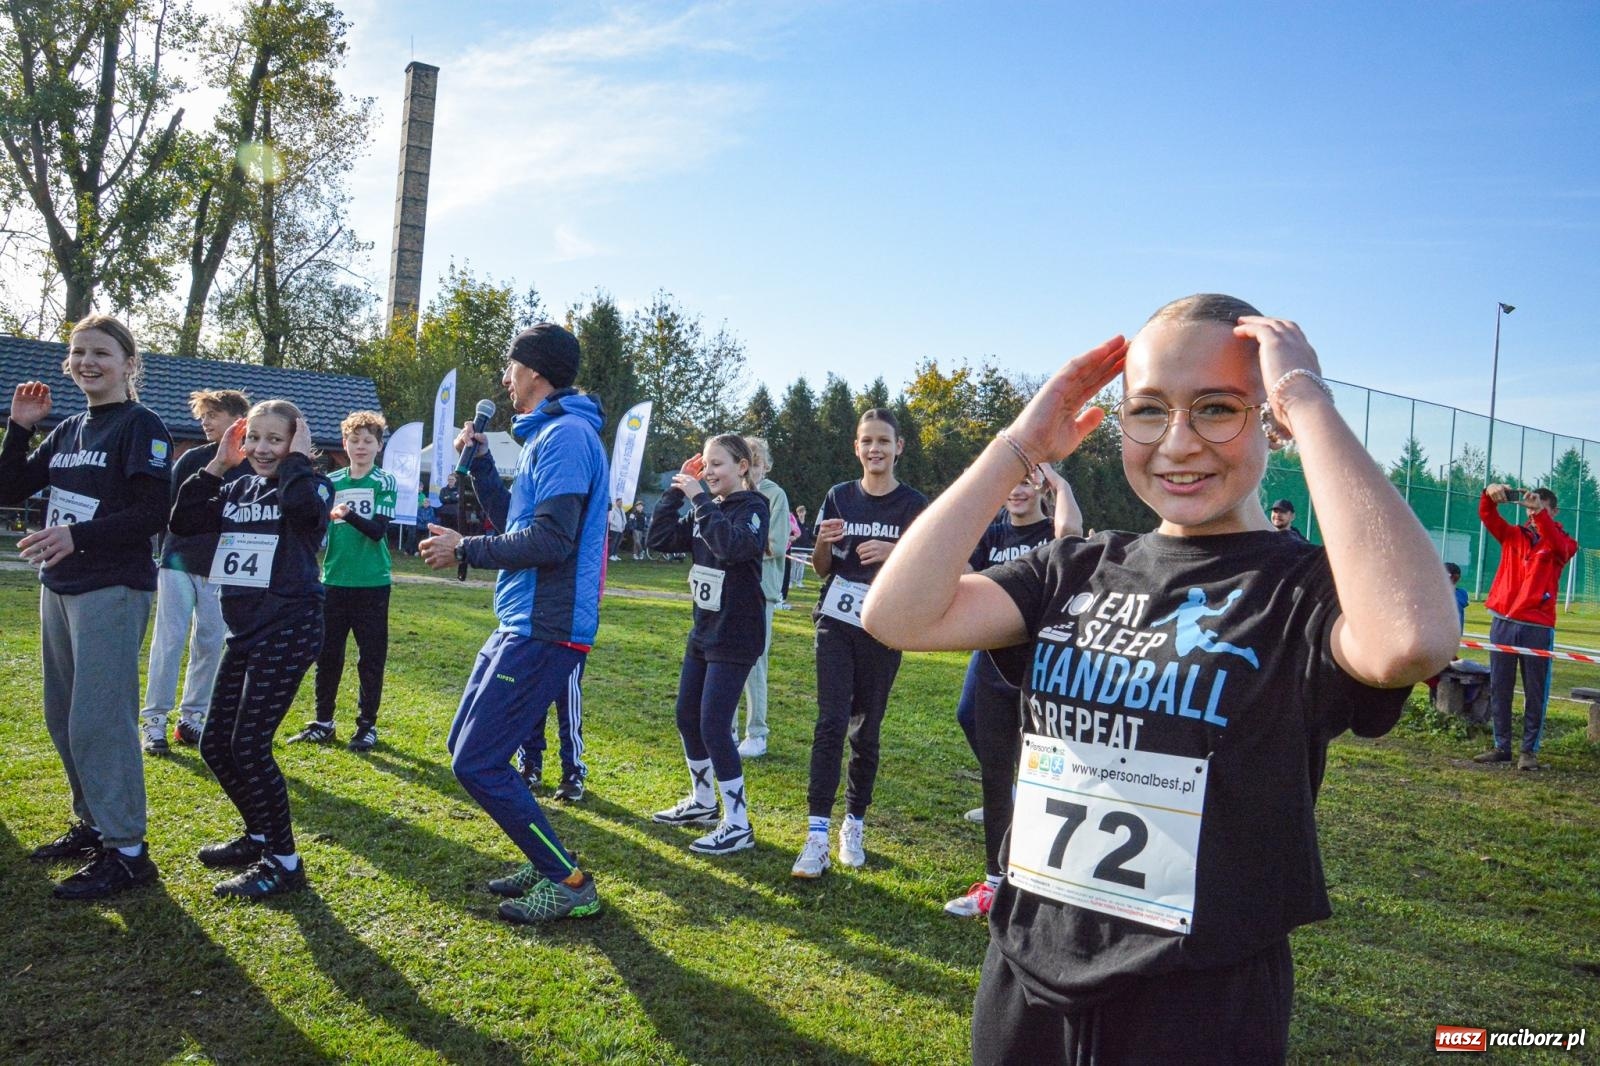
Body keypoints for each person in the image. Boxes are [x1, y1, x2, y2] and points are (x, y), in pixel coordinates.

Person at [863, 295, 1457, 1064]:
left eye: (1217, 409)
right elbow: (897, 614)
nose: (1178, 442)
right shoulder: (1074, 568)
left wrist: (1308, 401)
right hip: (1026, 973)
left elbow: (1411, 639)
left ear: (1270, 421)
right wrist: (1020, 446)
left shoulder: (1300, 592)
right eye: (1148, 411)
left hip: (1197, 1001)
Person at [418, 322, 607, 924]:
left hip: (546, 625)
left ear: (536, 371)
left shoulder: (567, 436)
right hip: (519, 619)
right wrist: (480, 468)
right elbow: (517, 523)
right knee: (465, 748)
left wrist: (465, 549)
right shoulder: (546, 435)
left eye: (511, 365)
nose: (504, 378)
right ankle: (543, 856)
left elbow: (550, 541)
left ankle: (568, 882)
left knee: (478, 761)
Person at [0, 315, 171, 900]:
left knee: (100, 720)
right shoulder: (70, 428)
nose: (86, 362)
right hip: (60, 585)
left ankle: (128, 852)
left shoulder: (140, 424)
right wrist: (19, 428)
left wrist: (79, 536)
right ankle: (94, 824)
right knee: (63, 716)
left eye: (100, 352)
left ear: (128, 363)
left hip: (112, 588)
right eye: (77, 353)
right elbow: (8, 489)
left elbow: (152, 514)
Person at [171, 399, 333, 898]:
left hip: (289, 627)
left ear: (296, 442)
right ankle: (259, 835)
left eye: (275, 440)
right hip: (243, 633)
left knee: (249, 746)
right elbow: (183, 521)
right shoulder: (238, 485)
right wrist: (218, 465)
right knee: (215, 744)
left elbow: (304, 512)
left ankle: (284, 863)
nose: (262, 449)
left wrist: (298, 461)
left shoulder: (312, 484)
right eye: (254, 438)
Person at [791, 408, 928, 878]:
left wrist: (895, 551)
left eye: (883, 441)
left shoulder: (913, 505)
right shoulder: (839, 496)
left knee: (865, 731)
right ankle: (815, 836)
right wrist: (824, 544)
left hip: (884, 627)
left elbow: (927, 569)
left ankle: (854, 823)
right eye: (867, 441)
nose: (875, 449)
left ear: (898, 447)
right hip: (836, 621)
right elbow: (821, 567)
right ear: (856, 447)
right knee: (830, 722)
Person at [944, 465, 1082, 920]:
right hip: (993, 660)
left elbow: (1070, 538)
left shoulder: (1050, 531)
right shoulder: (993, 533)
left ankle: (1050, 870)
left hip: (1044, 667)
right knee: (992, 766)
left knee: (1048, 764)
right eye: (1011, 482)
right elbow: (959, 572)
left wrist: (1061, 484)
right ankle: (994, 882)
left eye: (1026, 481)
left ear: (1040, 486)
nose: (1017, 490)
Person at [648, 435, 770, 854]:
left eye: (718, 464)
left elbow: (732, 547)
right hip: (703, 630)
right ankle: (702, 801)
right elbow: (660, 539)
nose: (710, 472)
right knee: (687, 717)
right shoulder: (708, 508)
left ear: (742, 466)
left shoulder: (753, 507)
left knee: (715, 725)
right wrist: (673, 493)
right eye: (706, 464)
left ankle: (737, 824)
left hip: (737, 633)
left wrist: (699, 499)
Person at [141, 388, 251, 755]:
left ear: (238, 420)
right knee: (169, 641)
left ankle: (192, 719)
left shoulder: (253, 463)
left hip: (223, 569)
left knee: (210, 642)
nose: (204, 422)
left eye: (212, 415)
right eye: (202, 416)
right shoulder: (192, 459)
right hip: (178, 562)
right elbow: (168, 509)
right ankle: (154, 721)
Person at [293, 411, 398, 752]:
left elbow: (377, 530)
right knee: (327, 655)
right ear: (344, 444)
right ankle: (323, 722)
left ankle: (367, 726)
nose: (361, 446)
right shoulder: (331, 482)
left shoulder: (384, 481)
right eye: (354, 440)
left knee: (370, 658)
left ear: (379, 446)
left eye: (368, 441)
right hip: (334, 580)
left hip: (372, 583)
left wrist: (347, 514)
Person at [1473, 484, 1578, 771]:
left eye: (1540, 507)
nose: (1532, 512)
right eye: (1529, 508)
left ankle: (1528, 752)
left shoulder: (1564, 542)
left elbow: (1558, 546)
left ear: (1554, 511)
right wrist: (1489, 493)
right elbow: (1487, 514)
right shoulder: (1513, 535)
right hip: (1503, 622)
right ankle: (1502, 747)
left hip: (1537, 627)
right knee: (1500, 687)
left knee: (1535, 692)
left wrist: (1541, 515)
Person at [735, 436, 791, 758]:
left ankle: (757, 733)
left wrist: (739, 545)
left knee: (756, 662)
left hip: (761, 590)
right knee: (725, 660)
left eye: (756, 464)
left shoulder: (775, 495)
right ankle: (727, 727)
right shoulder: (730, 493)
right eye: (745, 463)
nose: (750, 471)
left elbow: (777, 544)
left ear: (765, 466)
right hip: (730, 588)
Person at [608, 496, 626, 561]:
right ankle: (611, 555)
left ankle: (615, 554)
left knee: (618, 543)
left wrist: (624, 524)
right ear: (616, 502)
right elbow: (610, 520)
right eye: (620, 502)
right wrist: (616, 525)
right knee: (614, 542)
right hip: (614, 529)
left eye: (621, 502)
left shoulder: (622, 510)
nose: (621, 503)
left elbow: (624, 518)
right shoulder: (613, 509)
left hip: (621, 529)